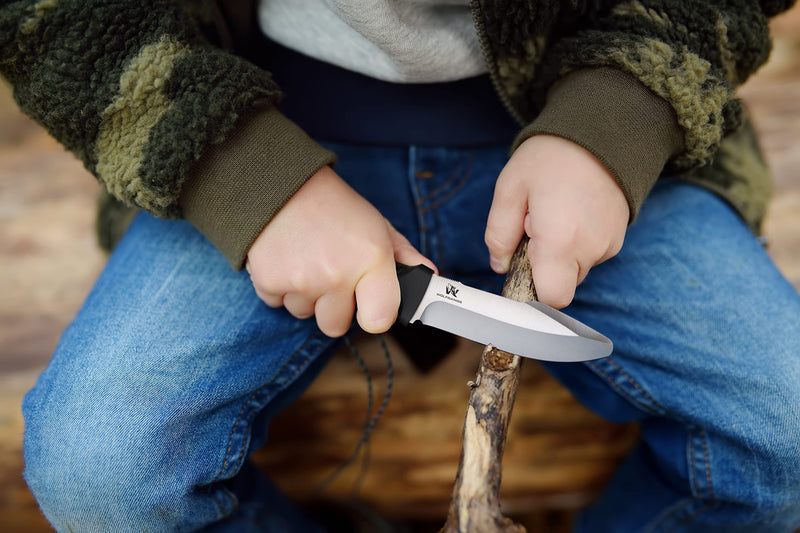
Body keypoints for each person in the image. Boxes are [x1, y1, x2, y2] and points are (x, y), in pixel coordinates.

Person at [3, 0, 799, 531]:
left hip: (591, 116)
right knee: (100, 464)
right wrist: (242, 177)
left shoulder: (613, 120)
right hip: (235, 121)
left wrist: (618, 117)